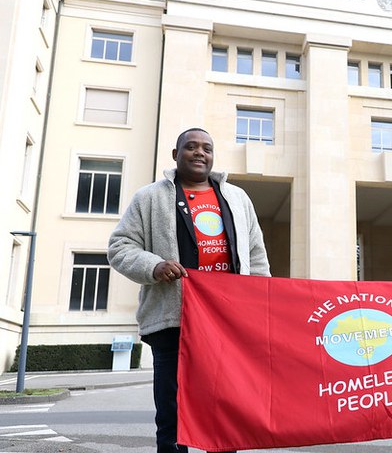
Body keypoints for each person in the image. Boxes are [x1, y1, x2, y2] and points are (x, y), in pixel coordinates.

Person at [108, 128, 271, 453]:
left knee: (225, 410)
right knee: (172, 412)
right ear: (175, 154)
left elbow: (256, 255)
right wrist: (154, 266)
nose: (200, 153)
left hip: (227, 322)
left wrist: (262, 305)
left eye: (207, 148)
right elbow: (119, 246)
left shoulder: (238, 198)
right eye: (191, 147)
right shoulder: (149, 197)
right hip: (172, 321)